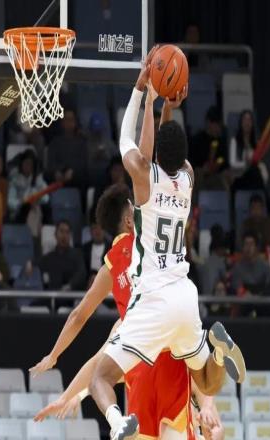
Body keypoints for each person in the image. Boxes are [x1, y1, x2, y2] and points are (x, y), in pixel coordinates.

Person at [88, 47, 245, 440]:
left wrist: (142, 89)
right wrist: (167, 106)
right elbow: (165, 150)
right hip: (185, 296)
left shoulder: (144, 179)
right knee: (206, 382)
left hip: (154, 300)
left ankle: (117, 422)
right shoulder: (188, 177)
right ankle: (218, 347)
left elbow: (128, 140)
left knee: (100, 379)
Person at [30, 184, 224, 439]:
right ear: (129, 220)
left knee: (102, 373)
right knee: (198, 368)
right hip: (170, 344)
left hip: (138, 347)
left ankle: (116, 421)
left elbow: (79, 318)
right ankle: (218, 360)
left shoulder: (109, 267)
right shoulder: (150, 241)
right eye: (134, 207)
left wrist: (55, 360)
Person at [190, 106, 230, 195]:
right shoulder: (197, 139)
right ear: (208, 123)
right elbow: (192, 161)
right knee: (197, 175)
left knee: (225, 177)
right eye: (216, 125)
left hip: (218, 174)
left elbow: (224, 161)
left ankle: (226, 202)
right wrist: (202, 169)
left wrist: (218, 165)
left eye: (219, 126)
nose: (218, 129)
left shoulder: (221, 141)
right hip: (201, 174)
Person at [45, 109, 89, 189]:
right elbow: (51, 161)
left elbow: (83, 162)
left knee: (85, 175)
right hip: (58, 175)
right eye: (66, 120)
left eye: (71, 120)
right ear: (62, 123)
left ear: (75, 123)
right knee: (47, 175)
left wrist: (72, 170)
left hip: (75, 176)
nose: (69, 123)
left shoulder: (81, 142)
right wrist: (56, 171)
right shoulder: (55, 142)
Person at [39, 220, 87, 293]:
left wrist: (69, 286)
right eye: (61, 231)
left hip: (72, 296)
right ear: (55, 235)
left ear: (70, 236)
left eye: (67, 232)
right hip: (52, 295)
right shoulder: (49, 257)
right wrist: (30, 263)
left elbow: (81, 273)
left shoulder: (77, 255)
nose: (64, 236)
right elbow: (37, 265)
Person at [7, 150, 50, 223]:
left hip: (35, 211)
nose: (28, 166)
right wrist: (22, 202)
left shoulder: (38, 179)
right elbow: (10, 202)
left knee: (45, 209)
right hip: (19, 213)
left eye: (30, 164)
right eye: (26, 163)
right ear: (21, 164)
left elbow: (46, 198)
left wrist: (36, 199)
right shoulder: (14, 180)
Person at [231, 232, 270, 296]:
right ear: (242, 247)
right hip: (244, 300)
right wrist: (244, 293)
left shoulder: (265, 267)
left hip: (263, 300)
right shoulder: (237, 268)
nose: (248, 247)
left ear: (256, 247)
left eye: (251, 244)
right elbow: (236, 288)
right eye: (246, 244)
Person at [87, 111, 118, 188]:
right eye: (95, 131)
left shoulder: (108, 142)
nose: (97, 133)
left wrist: (106, 154)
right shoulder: (87, 143)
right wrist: (96, 155)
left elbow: (116, 158)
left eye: (99, 130)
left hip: (108, 175)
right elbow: (86, 162)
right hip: (93, 175)